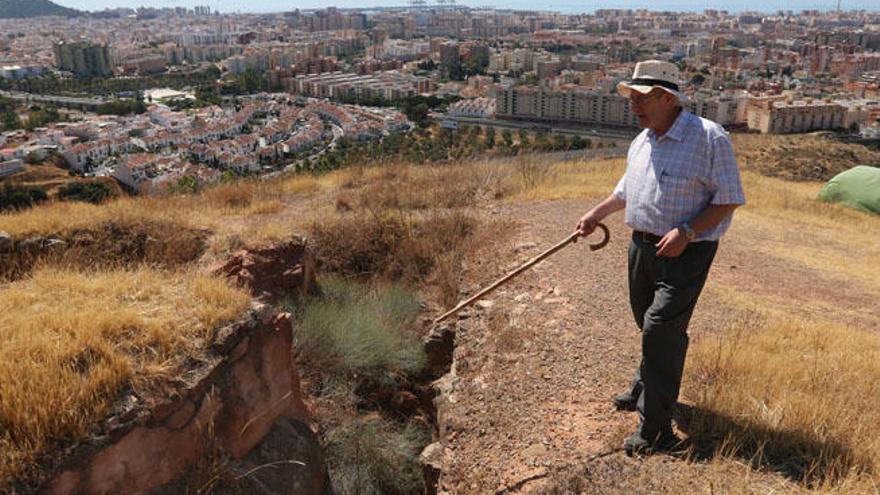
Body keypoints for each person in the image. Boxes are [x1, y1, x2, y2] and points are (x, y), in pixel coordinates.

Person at [574, 60, 746, 456]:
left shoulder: (709, 138)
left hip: (688, 252)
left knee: (660, 329)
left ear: (666, 98)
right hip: (643, 247)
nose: (633, 104)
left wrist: (687, 232)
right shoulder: (642, 140)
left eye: (640, 97)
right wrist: (594, 215)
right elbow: (624, 194)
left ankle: (655, 431)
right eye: (631, 96)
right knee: (646, 320)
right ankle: (645, 382)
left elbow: (730, 199)